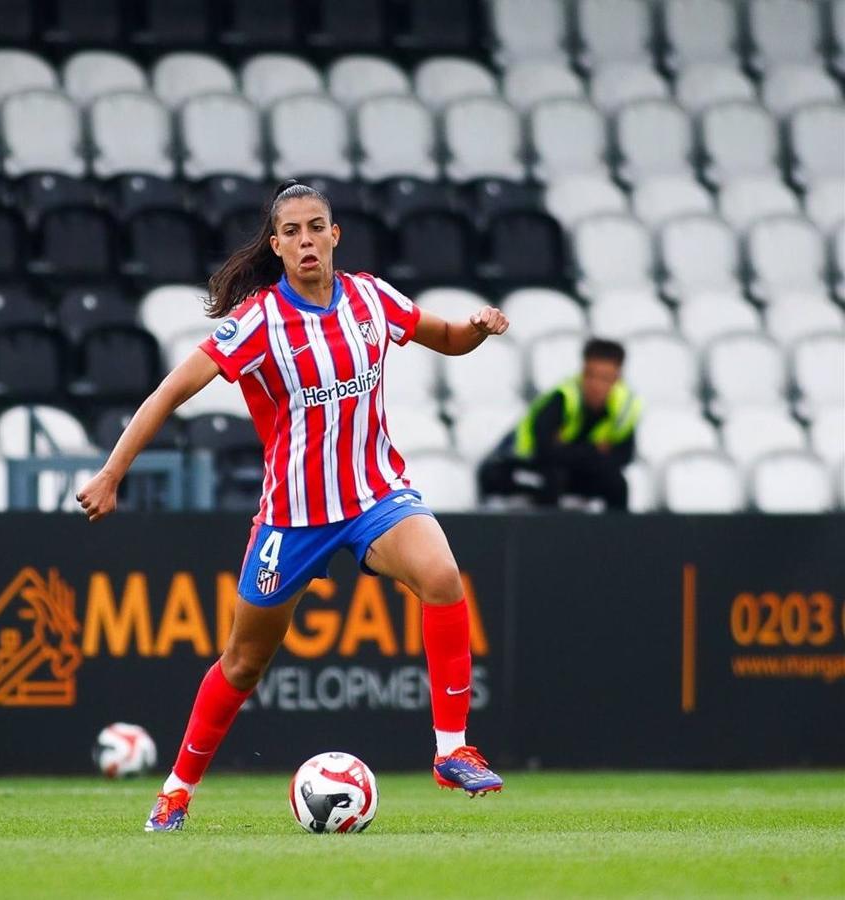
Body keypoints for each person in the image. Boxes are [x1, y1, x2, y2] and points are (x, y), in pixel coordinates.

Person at [77, 180, 510, 833]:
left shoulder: (371, 297)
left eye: (315, 227)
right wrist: (112, 473)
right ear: (276, 246)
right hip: (292, 518)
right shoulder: (258, 323)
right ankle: (175, 792)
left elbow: (446, 338)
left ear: (335, 235)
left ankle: (452, 751)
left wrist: (476, 330)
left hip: (374, 496)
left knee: (443, 577)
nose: (306, 240)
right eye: (292, 232)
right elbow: (170, 391)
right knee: (243, 662)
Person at [477, 338, 639, 511]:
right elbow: (546, 452)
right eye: (590, 375)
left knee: (616, 483)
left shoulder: (625, 409)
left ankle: (615, 529)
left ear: (618, 379)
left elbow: (623, 457)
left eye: (605, 378)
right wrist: (595, 450)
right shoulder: (562, 398)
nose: (596, 385)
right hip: (515, 466)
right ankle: (546, 528)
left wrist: (567, 450)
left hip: (568, 472)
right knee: (552, 478)